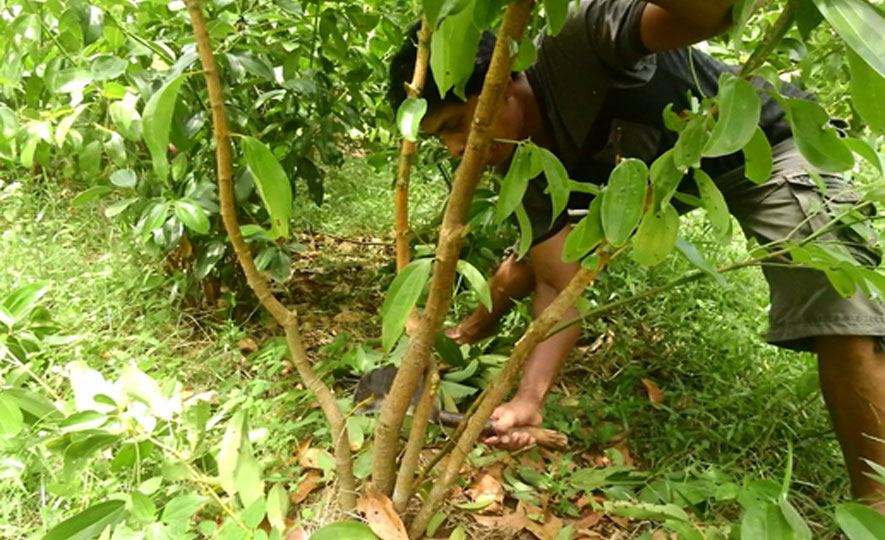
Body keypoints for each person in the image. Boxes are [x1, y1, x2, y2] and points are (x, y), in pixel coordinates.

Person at [387, 0, 885, 511]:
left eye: (458, 123)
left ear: (504, 80)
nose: (452, 148)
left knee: (838, 300)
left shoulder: (579, 45)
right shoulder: (524, 166)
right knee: (524, 267)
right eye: (440, 135)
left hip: (772, 145)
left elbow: (709, 15)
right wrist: (529, 400)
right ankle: (462, 334)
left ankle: (876, 506)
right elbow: (561, 286)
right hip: (670, 186)